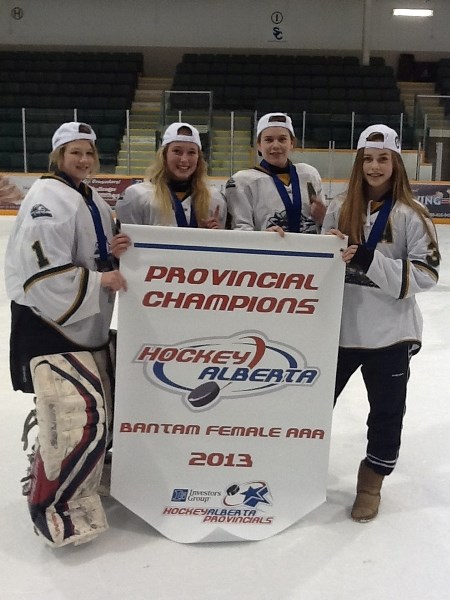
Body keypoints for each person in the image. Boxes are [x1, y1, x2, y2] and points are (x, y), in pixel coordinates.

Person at [4, 121, 127, 547]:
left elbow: (88, 249)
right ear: (58, 155)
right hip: (50, 324)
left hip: (82, 323)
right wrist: (99, 283)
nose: (84, 160)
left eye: (89, 152)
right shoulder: (47, 197)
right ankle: (50, 505)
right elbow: (43, 272)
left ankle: (72, 478)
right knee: (74, 415)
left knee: (94, 413)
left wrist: (112, 251)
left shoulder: (84, 194)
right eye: (75, 152)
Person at [322, 124, 440, 522]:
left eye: (383, 158)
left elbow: (426, 273)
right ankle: (297, 470)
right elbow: (320, 266)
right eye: (368, 159)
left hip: (391, 334)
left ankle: (371, 482)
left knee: (387, 413)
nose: (375, 166)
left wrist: (367, 260)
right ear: (358, 164)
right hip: (339, 331)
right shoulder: (339, 209)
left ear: (396, 163)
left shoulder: (413, 214)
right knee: (314, 407)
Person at [114, 122, 226, 242]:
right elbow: (127, 252)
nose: (184, 159)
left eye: (192, 152)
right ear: (164, 155)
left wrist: (216, 238)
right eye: (177, 151)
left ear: (199, 157)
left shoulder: (214, 199)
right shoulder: (136, 196)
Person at [225, 112, 326, 234]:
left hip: (308, 251)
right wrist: (263, 238)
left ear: (292, 143)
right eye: (269, 140)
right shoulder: (242, 181)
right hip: (267, 252)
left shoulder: (309, 174)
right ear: (259, 145)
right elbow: (240, 231)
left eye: (282, 139)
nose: (276, 145)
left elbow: (326, 228)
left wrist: (323, 218)